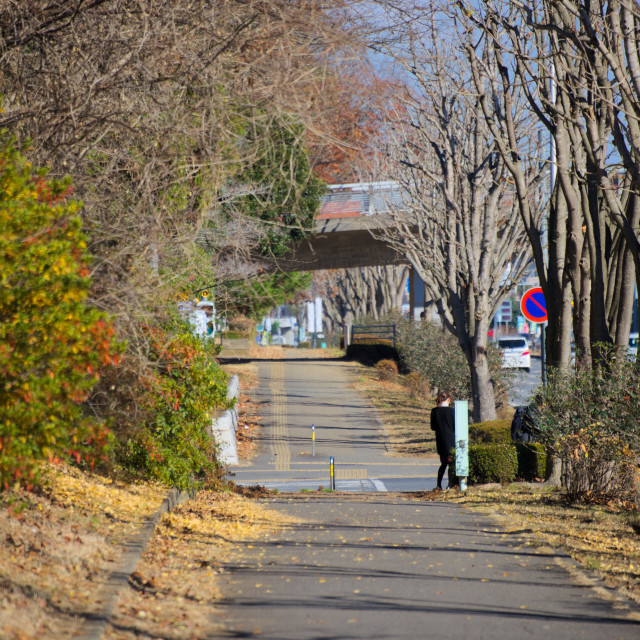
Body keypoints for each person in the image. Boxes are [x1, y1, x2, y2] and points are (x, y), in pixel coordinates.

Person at [430, 390, 456, 491]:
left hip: (440, 440)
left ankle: (438, 485)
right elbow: (455, 426)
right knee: (451, 464)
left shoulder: (434, 411)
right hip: (451, 439)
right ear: (448, 399)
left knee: (443, 463)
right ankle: (450, 484)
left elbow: (433, 427)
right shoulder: (452, 411)